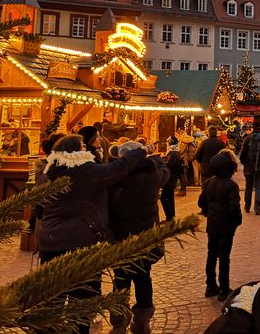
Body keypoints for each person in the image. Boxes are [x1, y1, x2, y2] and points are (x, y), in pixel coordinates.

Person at [37, 135, 148, 334]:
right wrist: (141, 152)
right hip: (83, 244)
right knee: (83, 301)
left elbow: (38, 209)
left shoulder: (46, 175)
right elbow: (118, 169)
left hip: (51, 244)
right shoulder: (86, 171)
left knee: (52, 301)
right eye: (82, 146)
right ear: (75, 151)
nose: (87, 148)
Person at [108, 141, 171, 334]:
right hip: (145, 238)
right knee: (143, 277)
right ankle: (142, 321)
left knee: (120, 279)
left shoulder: (113, 178)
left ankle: (119, 321)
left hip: (121, 239)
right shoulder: (152, 176)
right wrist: (157, 160)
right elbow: (165, 173)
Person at [198, 150, 242, 301]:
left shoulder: (209, 182)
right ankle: (224, 288)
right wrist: (237, 220)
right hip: (226, 226)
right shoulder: (231, 185)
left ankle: (210, 285)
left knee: (211, 255)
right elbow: (234, 206)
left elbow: (201, 202)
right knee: (224, 257)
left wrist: (207, 212)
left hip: (213, 224)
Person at [244, 122, 260, 215]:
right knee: (259, 187)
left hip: (249, 167)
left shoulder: (248, 139)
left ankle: (247, 206)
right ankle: (257, 208)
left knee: (248, 187)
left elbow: (243, 153)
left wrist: (245, 163)